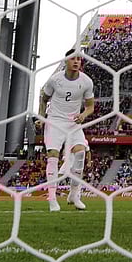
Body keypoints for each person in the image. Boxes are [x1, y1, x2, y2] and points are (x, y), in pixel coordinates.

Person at [38, 50, 95, 212]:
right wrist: (41, 118)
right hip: (55, 121)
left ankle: (74, 194)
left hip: (73, 122)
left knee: (80, 153)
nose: (76, 62)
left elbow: (90, 106)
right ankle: (52, 199)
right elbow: (44, 98)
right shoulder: (55, 80)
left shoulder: (86, 82)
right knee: (53, 156)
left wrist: (84, 115)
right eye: (73, 59)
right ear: (66, 61)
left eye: (79, 59)